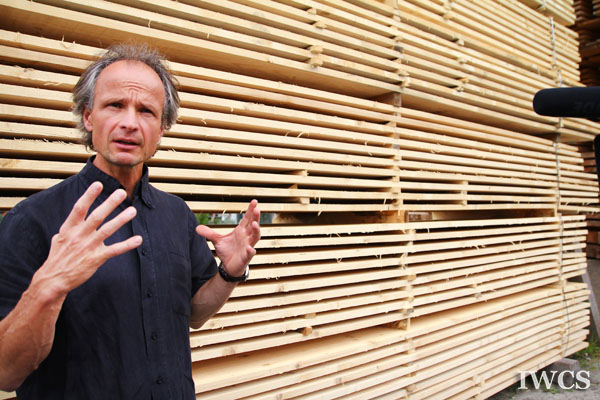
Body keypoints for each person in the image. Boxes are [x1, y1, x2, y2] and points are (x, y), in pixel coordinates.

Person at [0, 43, 260, 399]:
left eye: (146, 111)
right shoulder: (32, 220)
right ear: (88, 117)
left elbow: (193, 314)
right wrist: (48, 287)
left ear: (162, 129)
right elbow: (5, 372)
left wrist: (229, 272)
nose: (129, 123)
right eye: (115, 105)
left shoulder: (176, 214)